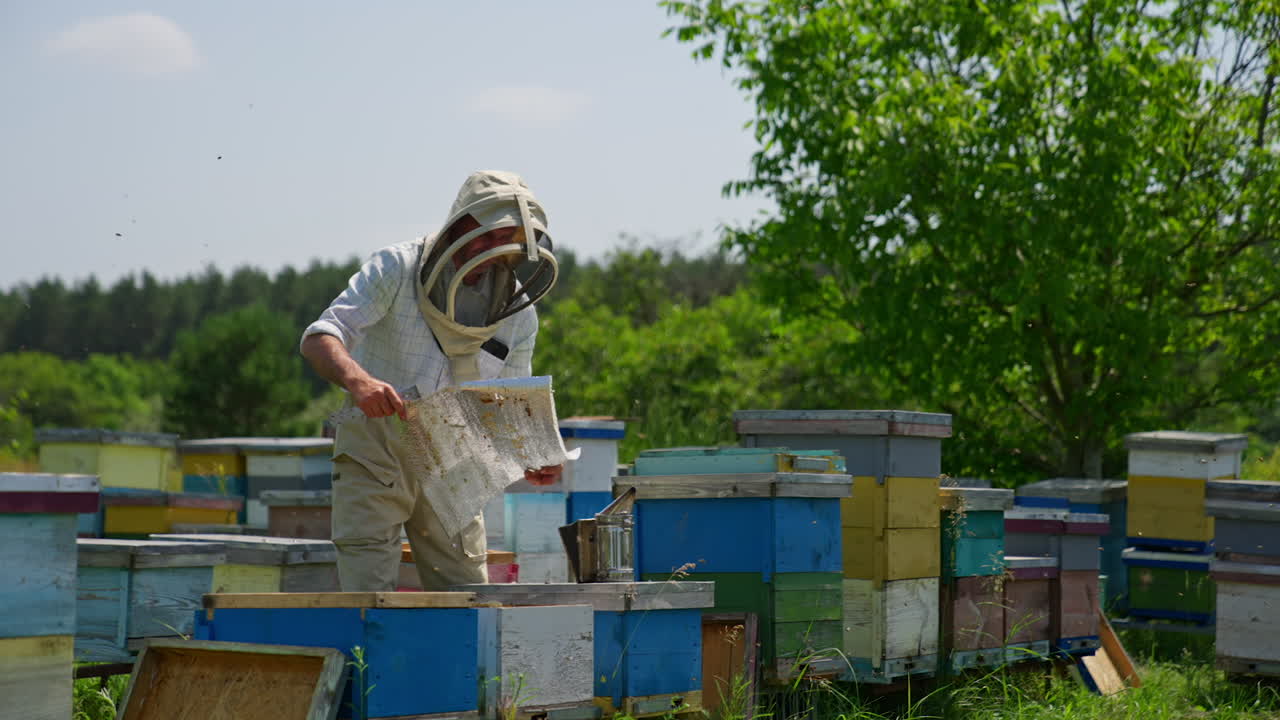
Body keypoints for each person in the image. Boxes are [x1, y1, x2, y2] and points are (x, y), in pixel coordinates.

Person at [300, 170, 563, 590]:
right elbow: (319, 338)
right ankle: (368, 660)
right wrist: (359, 382)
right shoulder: (395, 267)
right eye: (490, 236)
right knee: (368, 598)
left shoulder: (518, 312)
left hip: (454, 454)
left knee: (466, 596)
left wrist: (533, 453)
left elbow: (509, 405)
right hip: (376, 446)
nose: (498, 251)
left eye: (510, 240)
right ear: (460, 225)